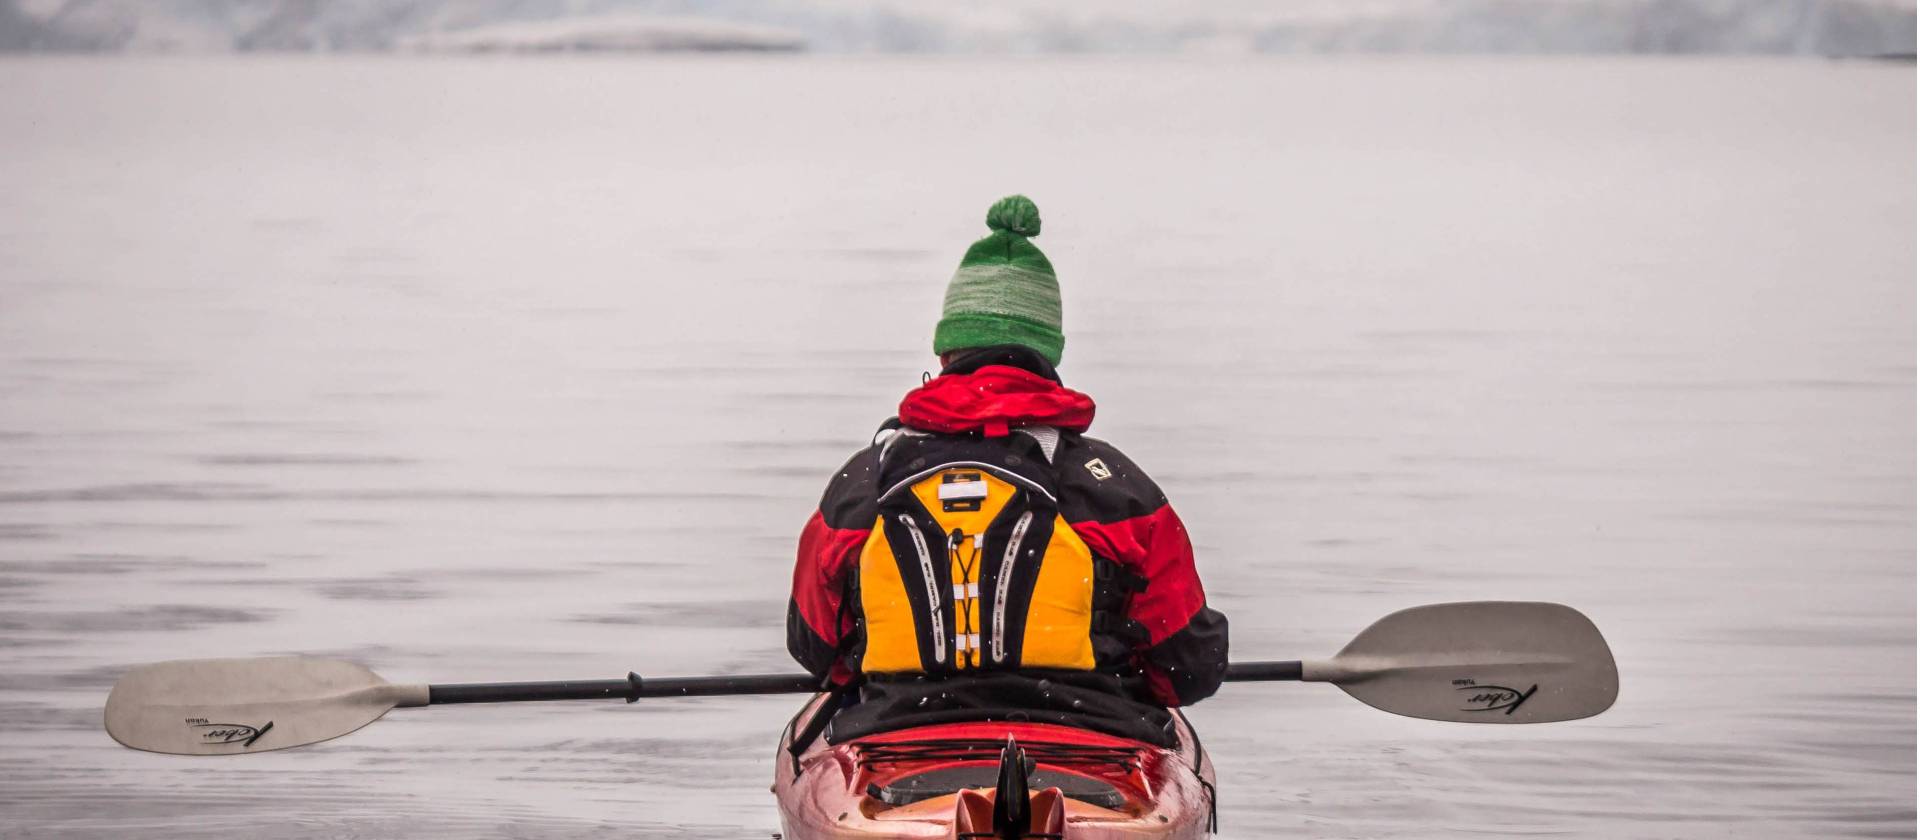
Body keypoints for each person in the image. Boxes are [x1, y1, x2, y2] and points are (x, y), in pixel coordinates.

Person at [786, 195, 1228, 747]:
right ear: (1048, 356)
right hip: (1091, 744)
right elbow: (1189, 667)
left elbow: (815, 650)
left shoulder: (862, 485)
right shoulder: (1119, 490)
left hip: (897, 740)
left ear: (947, 353)